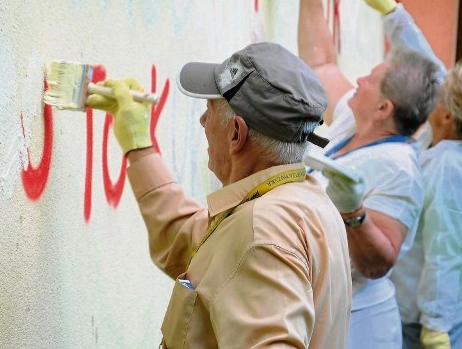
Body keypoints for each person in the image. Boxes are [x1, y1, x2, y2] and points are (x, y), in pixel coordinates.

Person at [86, 42, 352, 349]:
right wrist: (139, 146)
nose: (202, 121)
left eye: (209, 109)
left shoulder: (261, 229)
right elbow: (190, 241)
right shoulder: (301, 199)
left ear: (236, 134)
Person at [295, 0, 442, 349]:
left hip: (358, 326)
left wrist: (354, 213)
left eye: (369, 78)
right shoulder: (351, 118)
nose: (357, 80)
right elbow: (321, 65)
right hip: (319, 307)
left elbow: (379, 261)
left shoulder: (399, 170)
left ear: (383, 107)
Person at [390, 60, 462, 349]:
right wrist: (395, 17)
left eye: (439, 95)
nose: (434, 95)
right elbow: (428, 60)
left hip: (424, 318)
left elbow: (445, 251)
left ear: (447, 116)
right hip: (457, 299)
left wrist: (435, 327)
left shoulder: (447, 170)